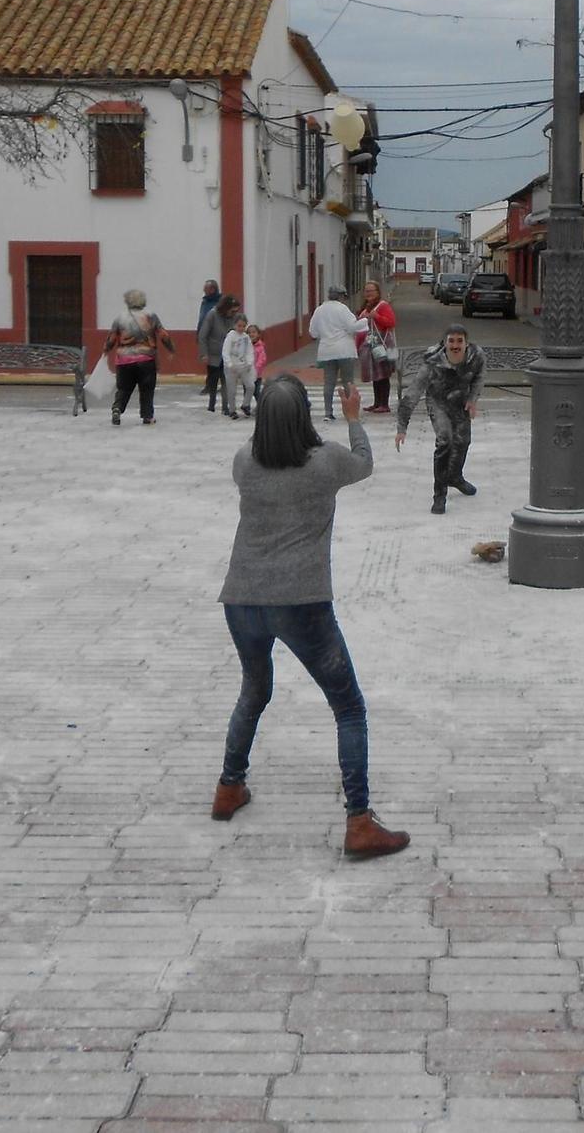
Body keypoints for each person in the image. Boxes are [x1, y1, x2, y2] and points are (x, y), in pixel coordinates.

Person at [212, 375, 410, 860]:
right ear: (304, 417)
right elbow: (364, 463)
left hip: (242, 599)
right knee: (348, 707)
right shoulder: (325, 464)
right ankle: (360, 821)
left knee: (254, 690)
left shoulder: (245, 462)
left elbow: (260, 452)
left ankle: (228, 787)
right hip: (302, 603)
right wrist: (354, 419)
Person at [395, 323, 485, 515]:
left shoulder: (476, 356)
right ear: (444, 343)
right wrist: (402, 427)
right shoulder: (433, 363)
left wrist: (472, 398)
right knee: (446, 441)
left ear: (466, 343)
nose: (455, 345)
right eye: (451, 341)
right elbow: (413, 394)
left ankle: (455, 477)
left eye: (459, 341)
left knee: (463, 441)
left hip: (460, 402)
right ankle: (439, 495)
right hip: (438, 402)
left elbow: (479, 377)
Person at [106, 289, 169, 426]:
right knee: (146, 389)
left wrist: (106, 350)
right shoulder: (151, 316)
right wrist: (171, 349)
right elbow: (163, 335)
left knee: (123, 388)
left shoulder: (119, 317)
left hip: (124, 360)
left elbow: (111, 339)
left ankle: (117, 408)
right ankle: (147, 416)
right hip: (146, 359)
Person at [309, 285, 362, 422]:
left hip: (327, 350)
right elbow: (352, 327)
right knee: (348, 381)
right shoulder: (343, 309)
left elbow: (313, 332)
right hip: (345, 350)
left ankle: (328, 412)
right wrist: (364, 322)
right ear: (341, 296)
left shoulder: (319, 310)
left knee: (329, 382)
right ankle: (351, 412)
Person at [355, 279, 398, 414]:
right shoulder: (366, 306)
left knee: (383, 374)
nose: (368, 293)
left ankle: (384, 404)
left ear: (377, 292)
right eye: (366, 291)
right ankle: (377, 403)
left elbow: (391, 322)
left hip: (382, 344)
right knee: (376, 375)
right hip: (370, 344)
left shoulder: (383, 306)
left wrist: (377, 316)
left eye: (371, 291)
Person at [198, 293, 238, 413]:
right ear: (226, 308)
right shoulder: (212, 314)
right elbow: (203, 335)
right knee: (213, 382)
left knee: (227, 382)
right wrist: (204, 353)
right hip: (214, 355)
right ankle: (212, 404)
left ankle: (226, 407)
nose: (234, 313)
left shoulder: (234, 318)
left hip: (228, 356)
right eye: (232, 311)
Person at [221, 313, 257, 419]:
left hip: (243, 366)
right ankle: (232, 410)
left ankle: (245, 404)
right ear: (234, 325)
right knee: (232, 390)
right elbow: (225, 351)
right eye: (239, 326)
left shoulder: (246, 337)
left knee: (251, 386)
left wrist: (250, 362)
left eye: (243, 326)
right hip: (231, 367)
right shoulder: (231, 336)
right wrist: (229, 363)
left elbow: (250, 351)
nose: (241, 328)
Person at [247, 323, 269, 412]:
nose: (251, 334)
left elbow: (262, 359)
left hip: (257, 375)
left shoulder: (260, 347)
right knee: (247, 391)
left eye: (253, 332)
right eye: (249, 333)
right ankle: (246, 406)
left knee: (256, 392)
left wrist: (256, 368)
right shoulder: (246, 346)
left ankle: (261, 405)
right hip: (247, 374)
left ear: (258, 334)